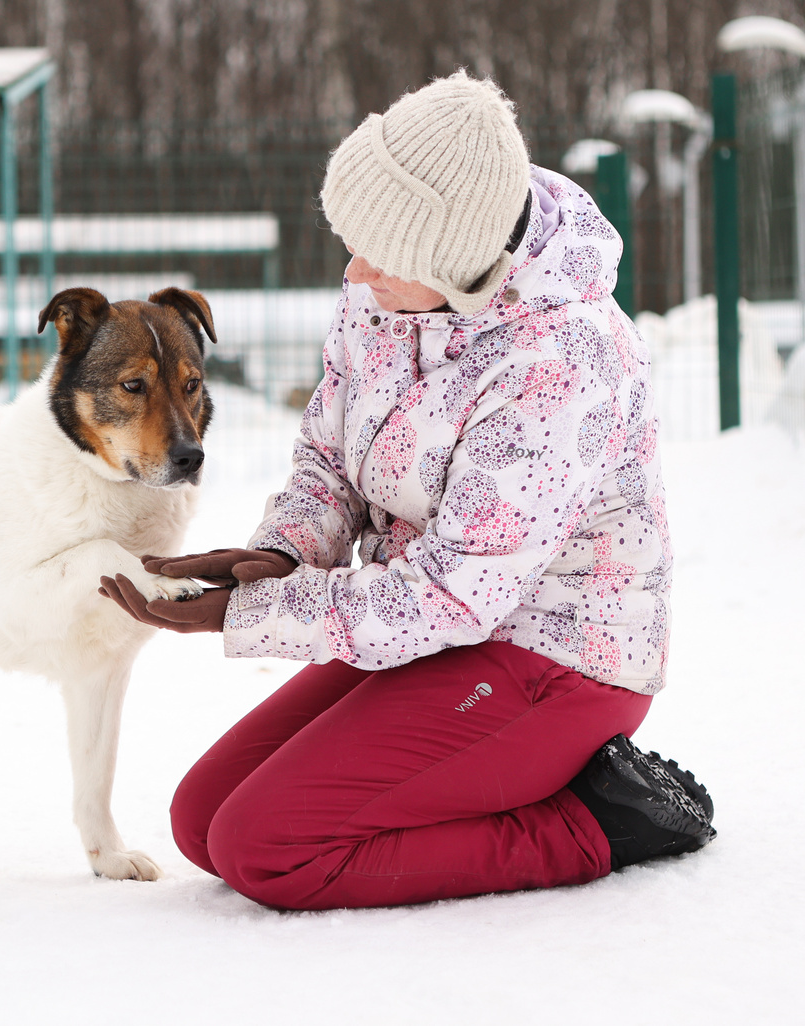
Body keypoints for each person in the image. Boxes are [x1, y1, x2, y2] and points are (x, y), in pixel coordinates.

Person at [99, 70, 716, 912]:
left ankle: (598, 823)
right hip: (434, 630)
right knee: (202, 819)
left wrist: (257, 614)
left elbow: (455, 594)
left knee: (268, 849)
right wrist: (280, 555)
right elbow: (329, 451)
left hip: (557, 658)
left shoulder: (564, 361)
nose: (355, 269)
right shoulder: (387, 291)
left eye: (378, 252)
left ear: (457, 260)